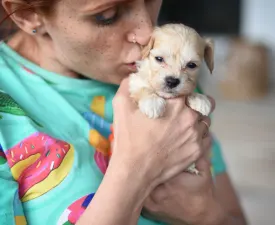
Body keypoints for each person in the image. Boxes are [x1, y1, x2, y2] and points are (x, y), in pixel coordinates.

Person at [0, 0, 248, 224]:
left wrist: (203, 214)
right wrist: (136, 174)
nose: (147, 32)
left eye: (151, 0)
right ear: (29, 15)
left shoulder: (168, 81)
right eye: (107, 15)